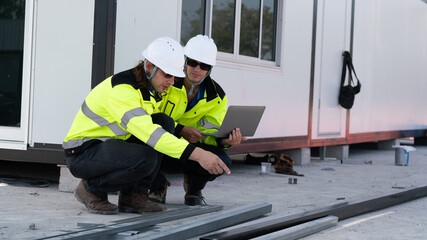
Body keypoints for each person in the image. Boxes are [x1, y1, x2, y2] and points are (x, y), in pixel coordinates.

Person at [62, 37, 230, 215]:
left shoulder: (148, 89)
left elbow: (155, 123)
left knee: (163, 121)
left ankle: (134, 197)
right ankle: (91, 190)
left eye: (174, 76)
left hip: (107, 146)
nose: (172, 82)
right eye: (167, 75)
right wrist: (199, 154)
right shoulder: (124, 90)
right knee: (145, 158)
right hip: (82, 151)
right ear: (149, 66)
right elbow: (150, 134)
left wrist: (182, 130)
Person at [149, 35, 245, 206]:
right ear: (184, 61)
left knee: (222, 160)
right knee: (143, 142)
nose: (197, 69)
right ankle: (157, 186)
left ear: (210, 69)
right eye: (193, 62)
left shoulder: (217, 96)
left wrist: (225, 141)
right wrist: (180, 130)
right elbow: (150, 118)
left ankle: (194, 188)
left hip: (190, 152)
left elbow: (211, 134)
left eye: (204, 65)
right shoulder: (165, 82)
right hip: (161, 149)